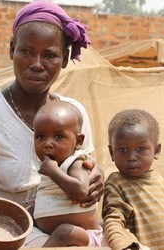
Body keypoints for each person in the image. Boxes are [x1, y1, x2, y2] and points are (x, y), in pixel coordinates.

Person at [0, 0, 104, 247]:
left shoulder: (73, 114)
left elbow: (83, 168)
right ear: (11, 50)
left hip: (69, 230)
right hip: (7, 233)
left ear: (64, 58)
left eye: (49, 55)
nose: (37, 64)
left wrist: (95, 176)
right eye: (26, 52)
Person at [102, 109, 164, 250]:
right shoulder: (116, 183)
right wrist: (126, 246)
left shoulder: (158, 179)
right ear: (111, 152)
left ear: (156, 150)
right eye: (122, 150)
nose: (132, 156)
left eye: (140, 149)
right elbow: (113, 220)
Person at [33, 100, 103, 247]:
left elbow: (81, 191)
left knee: (64, 232)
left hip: (82, 236)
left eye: (59, 137)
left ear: (78, 141)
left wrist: (53, 171)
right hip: (49, 234)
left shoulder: (76, 162)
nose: (47, 143)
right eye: (40, 137)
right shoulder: (54, 166)